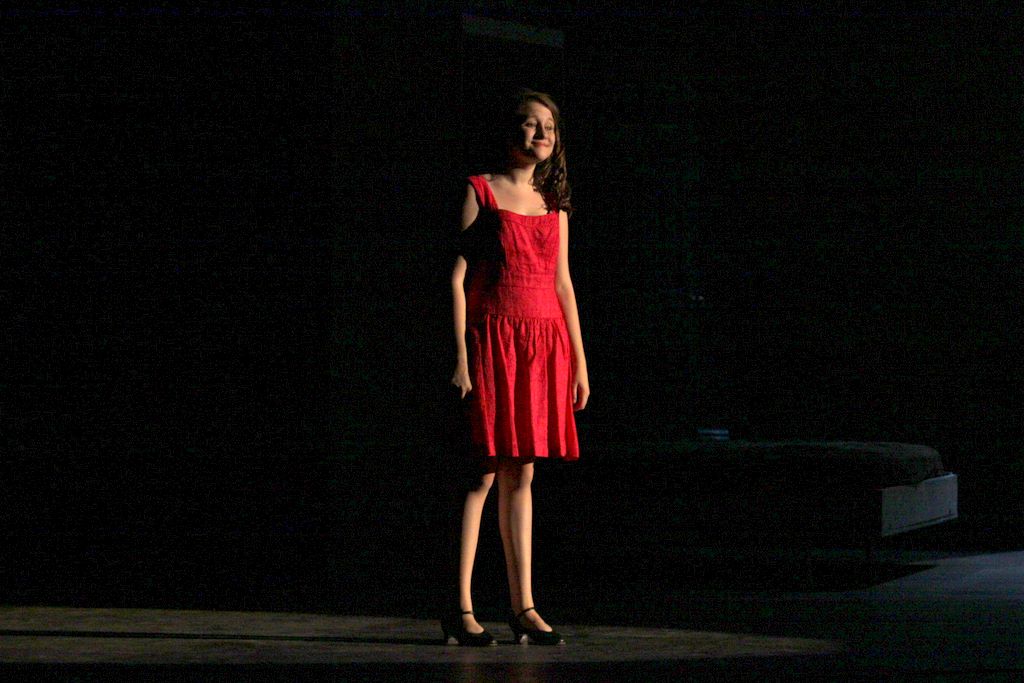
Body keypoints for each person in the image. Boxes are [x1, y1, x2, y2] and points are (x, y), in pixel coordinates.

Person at [442, 89, 589, 646]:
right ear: (510, 131)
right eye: (530, 124)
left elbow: (563, 285)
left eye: (548, 125)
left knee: (522, 474)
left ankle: (523, 606)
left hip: (541, 347)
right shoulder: (480, 189)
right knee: (481, 473)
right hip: (494, 342)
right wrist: (460, 355)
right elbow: (456, 277)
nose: (541, 133)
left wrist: (579, 363)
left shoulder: (555, 205)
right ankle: (460, 607)